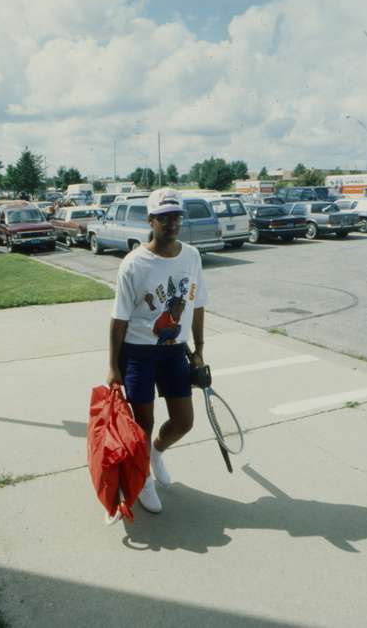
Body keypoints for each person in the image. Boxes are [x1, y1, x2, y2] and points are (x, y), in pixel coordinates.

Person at [107, 188, 208, 513]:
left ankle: (156, 453)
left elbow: (199, 304)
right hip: (138, 352)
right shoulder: (134, 263)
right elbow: (119, 319)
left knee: (183, 421)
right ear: (150, 220)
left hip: (175, 351)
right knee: (143, 422)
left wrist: (199, 349)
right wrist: (113, 365)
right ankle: (144, 480)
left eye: (176, 216)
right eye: (164, 218)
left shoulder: (191, 256)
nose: (172, 223)